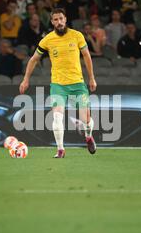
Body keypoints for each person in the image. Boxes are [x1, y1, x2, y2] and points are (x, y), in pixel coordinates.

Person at [19, 8, 97, 158]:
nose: (59, 22)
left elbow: (87, 56)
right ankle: (60, 149)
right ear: (52, 22)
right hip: (58, 85)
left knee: (85, 119)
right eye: (55, 19)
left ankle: (88, 136)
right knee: (57, 117)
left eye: (61, 18)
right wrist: (26, 79)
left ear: (65, 19)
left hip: (78, 84)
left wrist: (92, 77)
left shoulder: (77, 36)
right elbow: (34, 59)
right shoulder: (47, 40)